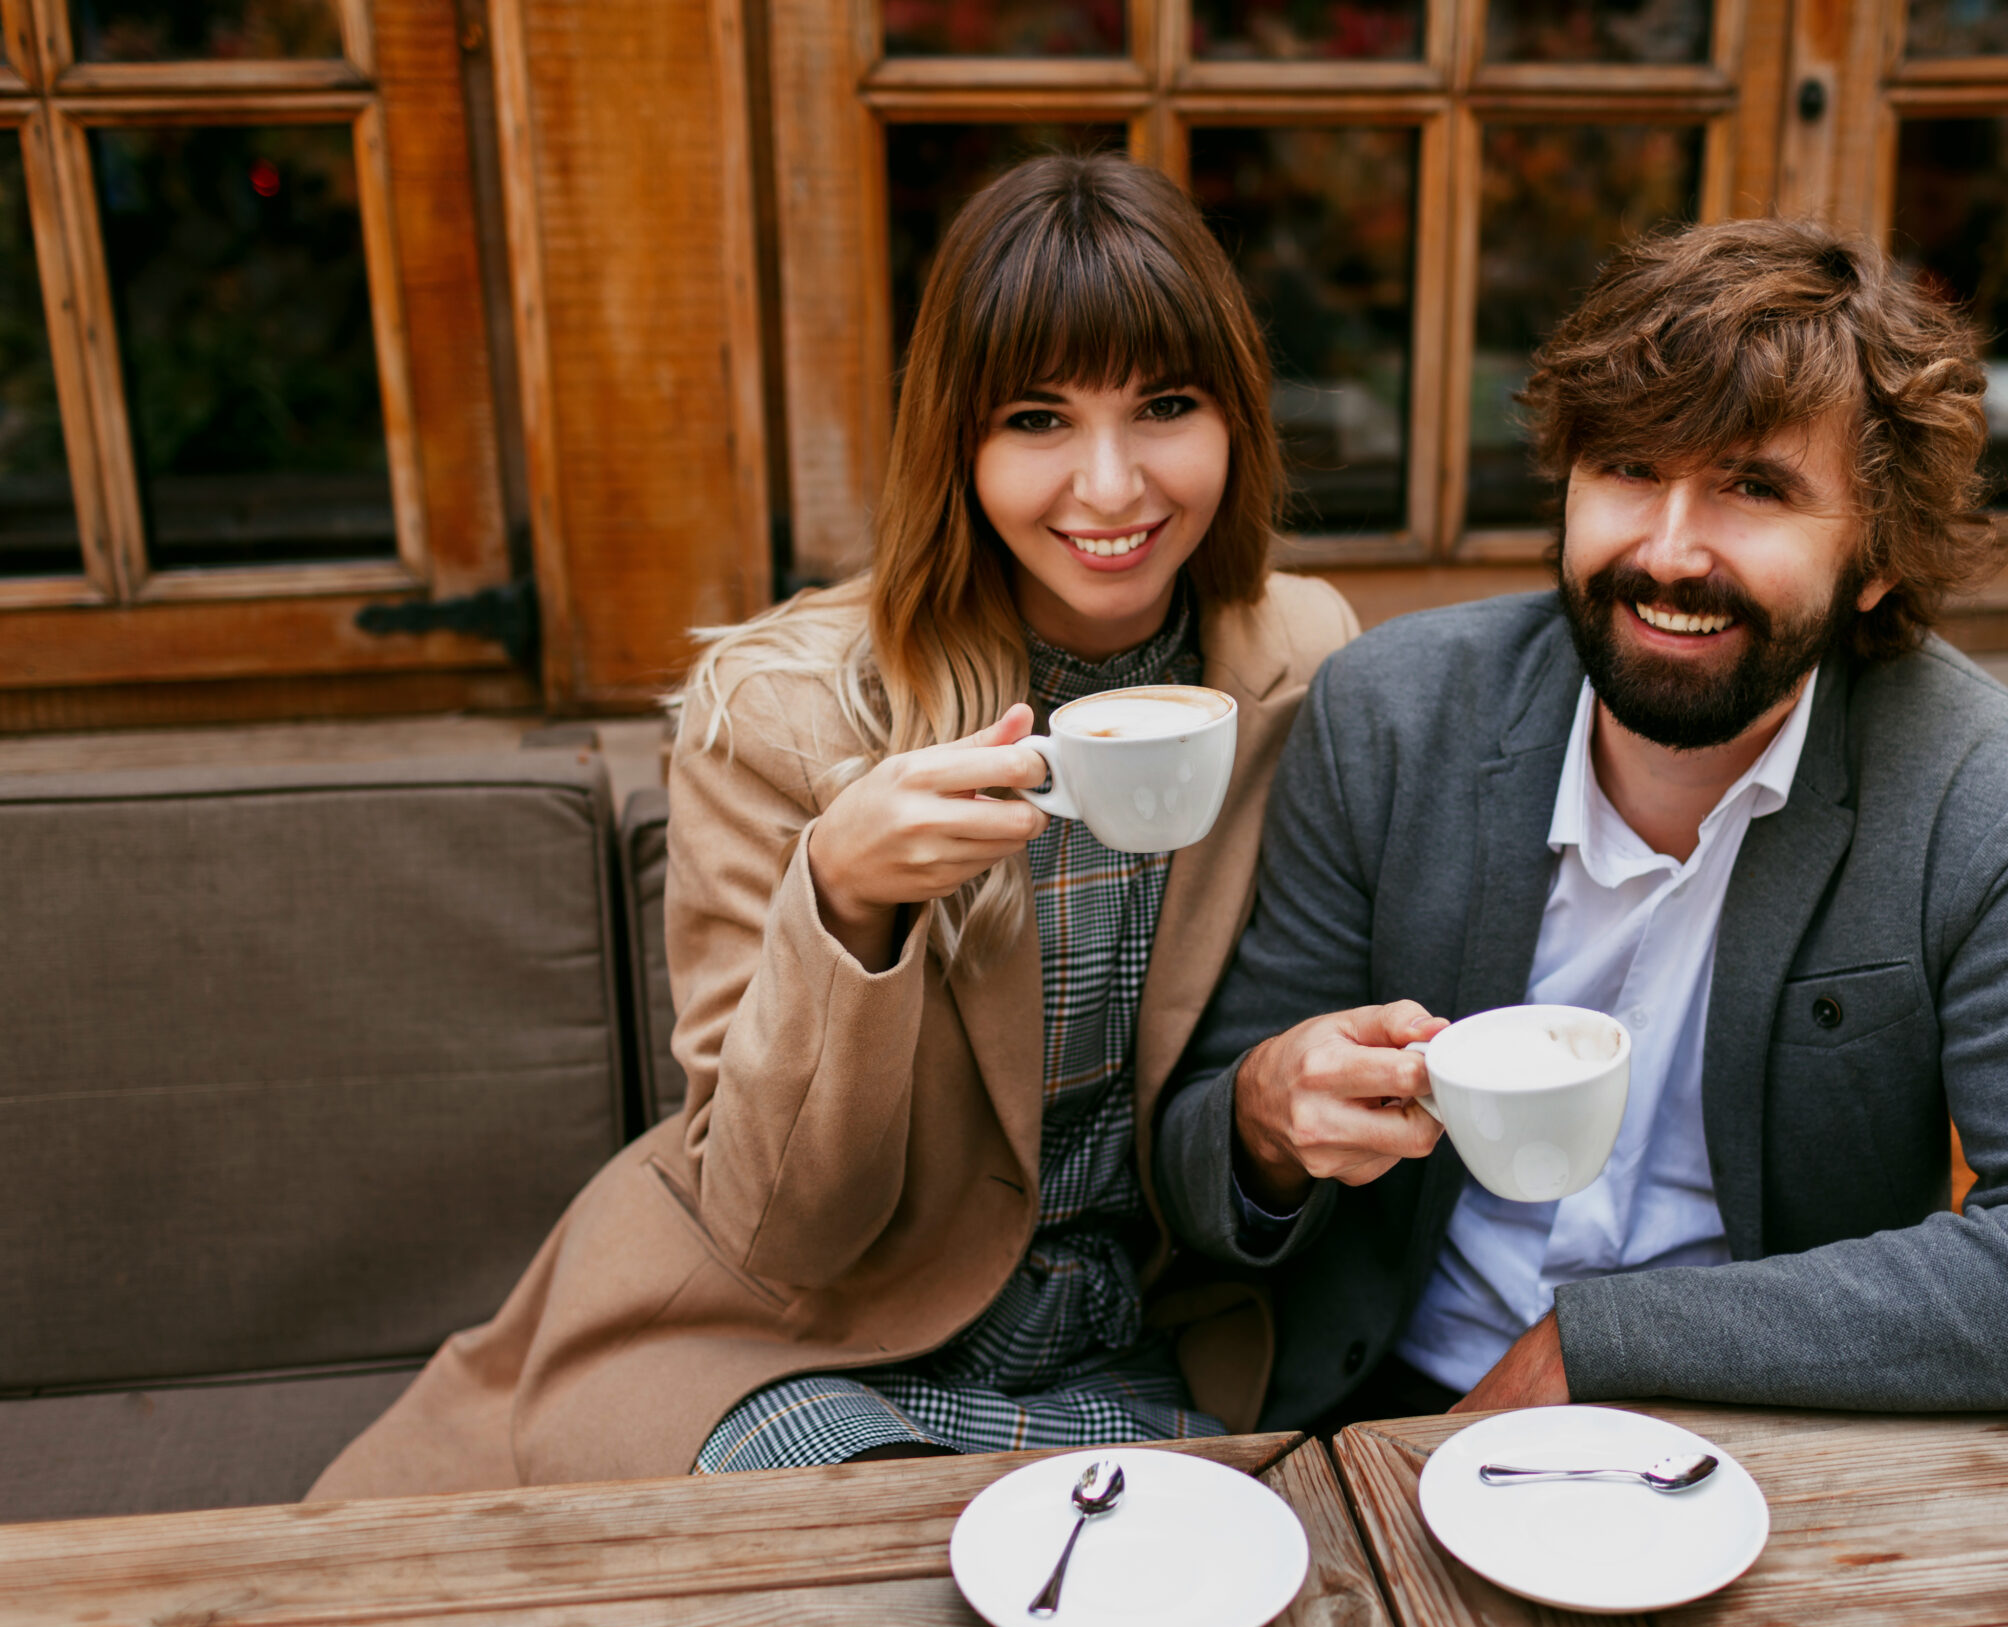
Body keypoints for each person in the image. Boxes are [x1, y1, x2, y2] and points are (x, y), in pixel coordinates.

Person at [311, 154, 1357, 1495]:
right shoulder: (787, 708)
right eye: (1038, 418)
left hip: (1123, 1343)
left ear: (1237, 419)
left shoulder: (1295, 657)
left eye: (1165, 405)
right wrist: (846, 901)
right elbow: (779, 1224)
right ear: (958, 444)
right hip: (785, 1336)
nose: (1110, 484)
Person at [1152, 219, 2008, 1431]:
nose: (1666, 552)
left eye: (1753, 488)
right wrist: (1265, 1118)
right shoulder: (1393, 715)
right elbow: (1196, 1176)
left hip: (1759, 1428)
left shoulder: (1975, 787)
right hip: (1384, 1412)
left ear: (1876, 553)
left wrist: (1602, 1345)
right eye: (1625, 471)